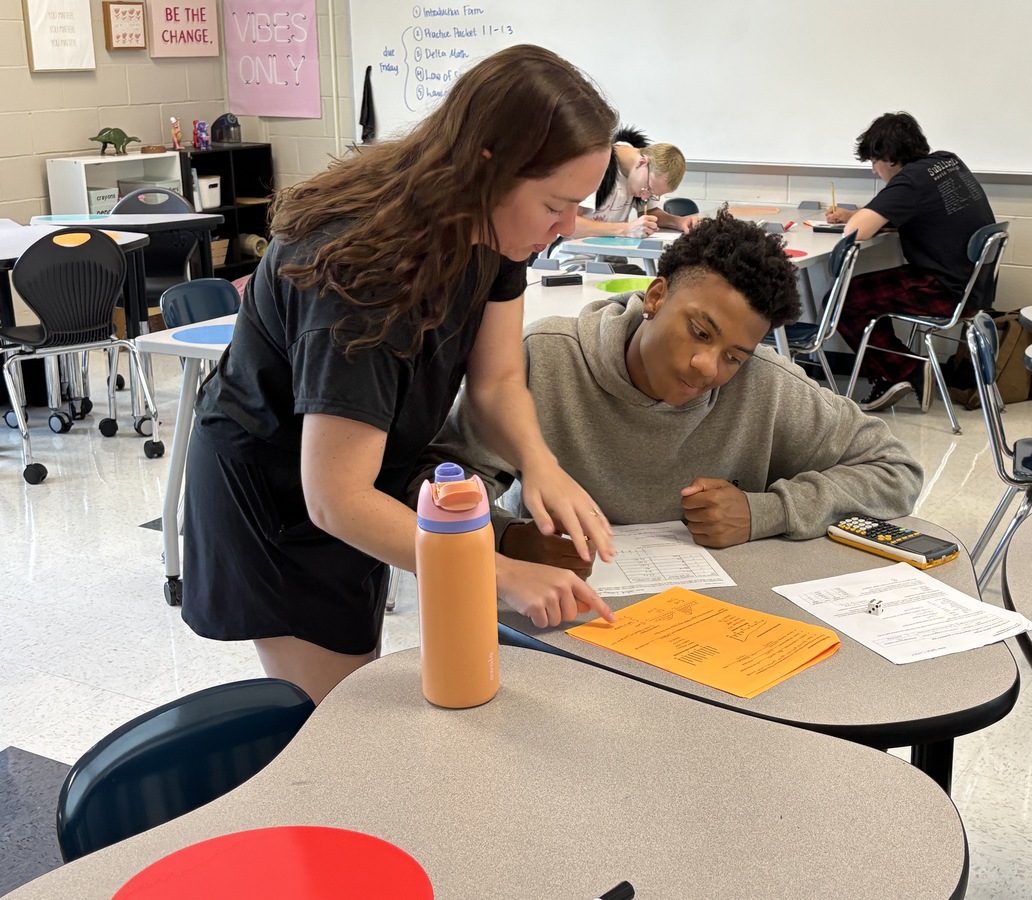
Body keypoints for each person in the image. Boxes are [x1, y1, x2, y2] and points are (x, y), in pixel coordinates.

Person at [181, 45, 622, 704]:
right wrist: (496, 574)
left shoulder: (494, 229)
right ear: (486, 166)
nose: (566, 229)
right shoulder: (363, 275)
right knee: (335, 715)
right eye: (556, 205)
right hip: (279, 495)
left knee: (364, 680)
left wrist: (540, 463)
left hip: (358, 473)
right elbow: (334, 498)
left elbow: (498, 379)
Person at [415, 209, 923, 575]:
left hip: (723, 626)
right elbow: (437, 484)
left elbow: (895, 471)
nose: (706, 366)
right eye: (699, 332)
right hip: (570, 623)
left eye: (733, 355)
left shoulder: (764, 383)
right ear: (656, 296)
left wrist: (766, 511)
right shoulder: (545, 360)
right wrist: (513, 539)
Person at [827, 112, 996, 412]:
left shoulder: (911, 182)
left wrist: (855, 219)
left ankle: (907, 370)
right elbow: (919, 212)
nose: (873, 171)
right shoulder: (947, 161)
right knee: (868, 297)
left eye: (874, 161)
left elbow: (855, 233)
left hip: (943, 291)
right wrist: (857, 214)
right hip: (974, 287)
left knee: (840, 300)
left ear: (890, 158)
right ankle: (893, 373)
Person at [568, 126, 699, 238]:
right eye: (648, 189)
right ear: (642, 163)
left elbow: (650, 214)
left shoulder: (642, 175)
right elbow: (570, 223)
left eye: (651, 195)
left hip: (613, 258)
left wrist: (679, 221)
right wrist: (625, 229)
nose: (645, 197)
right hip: (576, 260)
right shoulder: (597, 163)